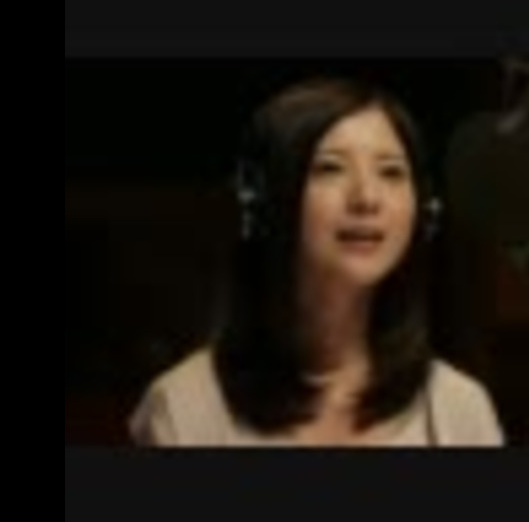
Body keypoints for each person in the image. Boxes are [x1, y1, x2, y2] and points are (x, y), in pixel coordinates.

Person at [128, 78, 504, 446]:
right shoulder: (184, 406)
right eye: (329, 168)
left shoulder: (457, 408)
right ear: (265, 201)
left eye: (391, 171)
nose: (367, 197)